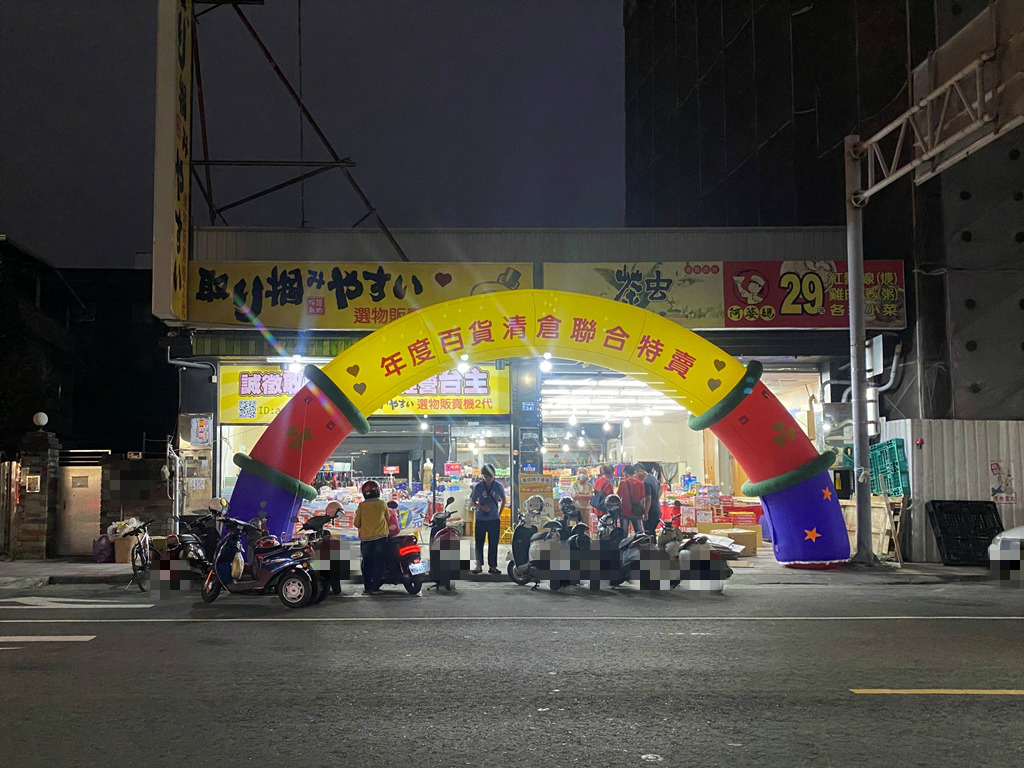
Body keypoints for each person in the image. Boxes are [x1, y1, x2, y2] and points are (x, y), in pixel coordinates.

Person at [354, 480, 389, 595]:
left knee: (367, 563)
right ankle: (375, 588)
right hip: (380, 538)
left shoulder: (362, 506)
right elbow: (388, 518)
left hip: (366, 540)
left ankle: (367, 587)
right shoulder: (382, 504)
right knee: (379, 563)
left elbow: (356, 523)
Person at [470, 463, 505, 574]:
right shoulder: (478, 486)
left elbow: (504, 500)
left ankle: (493, 566)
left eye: (489, 476)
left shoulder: (498, 486)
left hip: (494, 520)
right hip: (480, 519)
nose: (487, 479)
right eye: (485, 476)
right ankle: (478, 565)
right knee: (479, 543)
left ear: (493, 475)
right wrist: (480, 507)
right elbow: (472, 501)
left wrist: (499, 513)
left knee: (493, 544)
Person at [616, 464, 647, 535]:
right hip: (637, 511)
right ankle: (640, 545)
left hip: (624, 511)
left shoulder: (622, 483)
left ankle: (625, 546)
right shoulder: (640, 484)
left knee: (624, 534)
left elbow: (618, 496)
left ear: (626, 473)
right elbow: (643, 498)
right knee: (639, 533)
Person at [636, 466, 662, 535]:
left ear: (640, 472)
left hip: (651, 511)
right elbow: (660, 487)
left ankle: (650, 545)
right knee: (652, 532)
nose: (636, 477)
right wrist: (656, 498)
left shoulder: (646, 482)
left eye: (636, 474)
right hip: (657, 509)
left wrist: (646, 513)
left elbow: (648, 498)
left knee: (648, 533)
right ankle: (654, 545)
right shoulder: (652, 477)